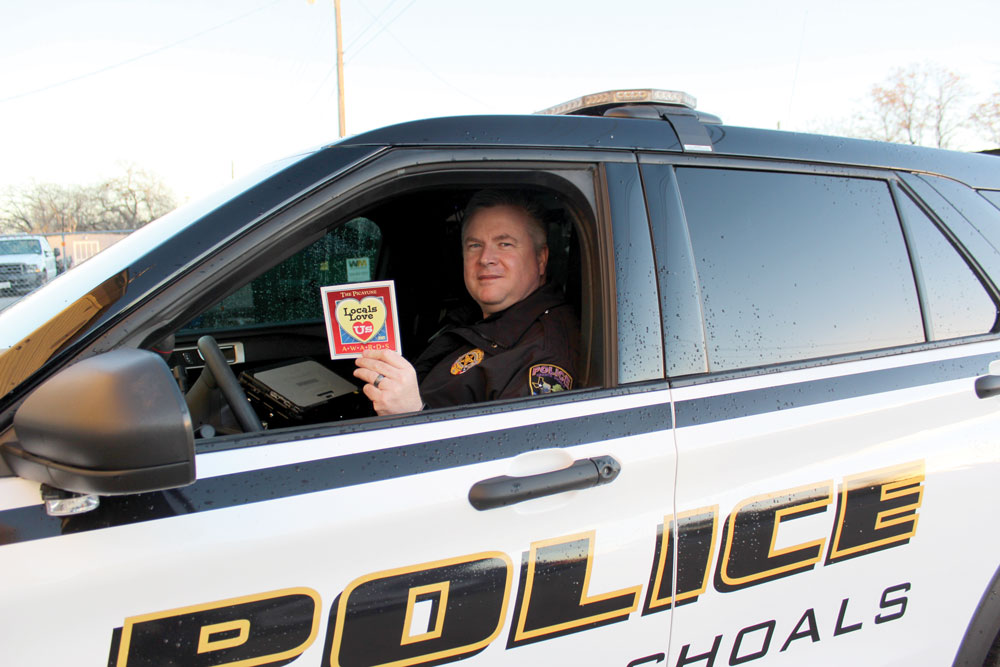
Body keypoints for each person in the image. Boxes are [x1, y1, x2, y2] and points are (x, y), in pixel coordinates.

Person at [353, 190, 580, 415]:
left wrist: (414, 414)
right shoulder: (471, 317)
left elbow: (511, 448)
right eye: (475, 245)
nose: (485, 258)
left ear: (541, 259)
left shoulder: (544, 353)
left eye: (505, 244)